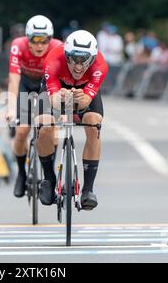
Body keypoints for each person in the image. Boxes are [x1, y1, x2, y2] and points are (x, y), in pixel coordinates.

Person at [36, 30, 108, 210]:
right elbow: (52, 101)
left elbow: (86, 102)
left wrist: (82, 96)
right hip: (57, 87)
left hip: (84, 90)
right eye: (74, 59)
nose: (78, 66)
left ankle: (88, 190)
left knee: (94, 124)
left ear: (93, 58)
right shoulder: (53, 59)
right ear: (66, 55)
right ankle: (49, 178)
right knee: (44, 125)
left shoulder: (101, 66)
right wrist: (59, 97)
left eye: (84, 60)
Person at [5, 15, 63, 198]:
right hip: (25, 84)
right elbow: (14, 80)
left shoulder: (58, 47)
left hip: (48, 85)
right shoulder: (18, 45)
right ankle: (21, 174)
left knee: (50, 129)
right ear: (27, 39)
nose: (39, 46)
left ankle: (48, 174)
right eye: (34, 41)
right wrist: (11, 108)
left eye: (44, 41)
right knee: (22, 130)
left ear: (50, 39)